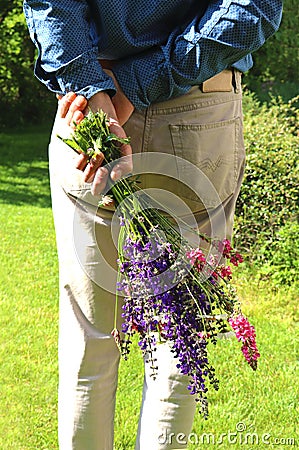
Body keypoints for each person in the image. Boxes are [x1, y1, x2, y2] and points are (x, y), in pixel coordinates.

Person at [23, 1, 282, 449]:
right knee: (176, 345)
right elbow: (253, 9)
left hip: (89, 111)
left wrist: (97, 88)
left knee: (91, 339)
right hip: (192, 108)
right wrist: (135, 82)